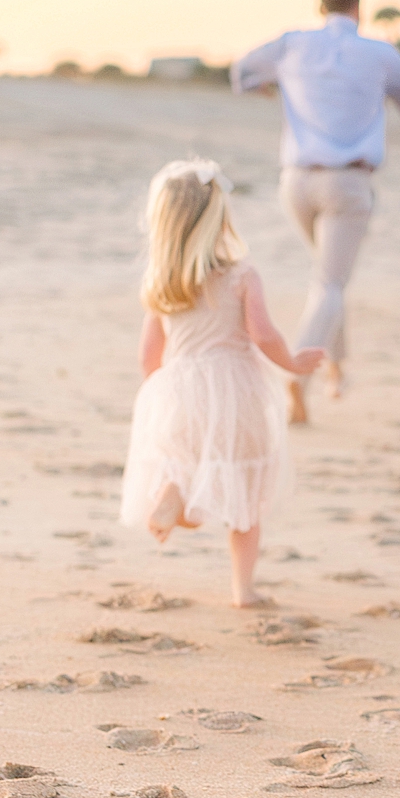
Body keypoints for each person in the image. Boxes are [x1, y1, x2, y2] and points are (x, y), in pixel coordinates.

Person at [232, 0, 400, 418]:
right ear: (358, 8)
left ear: (321, 6)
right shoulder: (381, 54)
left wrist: (266, 88)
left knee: (328, 278)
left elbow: (242, 73)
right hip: (348, 183)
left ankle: (336, 370)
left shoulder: (293, 45)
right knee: (329, 282)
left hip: (296, 182)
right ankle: (298, 377)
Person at [118, 160, 325, 608]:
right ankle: (243, 589)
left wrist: (164, 393)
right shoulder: (240, 276)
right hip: (235, 391)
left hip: (180, 390)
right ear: (220, 216)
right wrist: (291, 362)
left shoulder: (161, 283)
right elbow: (264, 334)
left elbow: (148, 356)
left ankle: (176, 495)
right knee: (244, 494)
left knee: (191, 465)